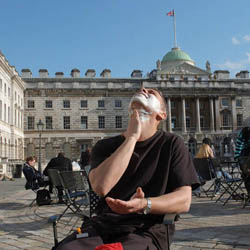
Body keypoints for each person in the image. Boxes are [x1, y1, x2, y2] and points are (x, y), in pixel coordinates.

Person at [54, 87, 199, 250]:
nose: (144, 89)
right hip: (101, 226)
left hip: (145, 230)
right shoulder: (105, 145)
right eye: (142, 90)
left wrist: (144, 204)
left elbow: (184, 200)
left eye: (151, 93)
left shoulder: (172, 144)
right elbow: (101, 187)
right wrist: (131, 138)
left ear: (162, 115)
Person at [234, 126, 250, 195]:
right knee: (247, 176)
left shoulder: (242, 132)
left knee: (246, 176)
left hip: (243, 156)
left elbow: (238, 147)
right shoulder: (243, 132)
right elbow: (239, 146)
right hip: (244, 155)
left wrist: (237, 158)